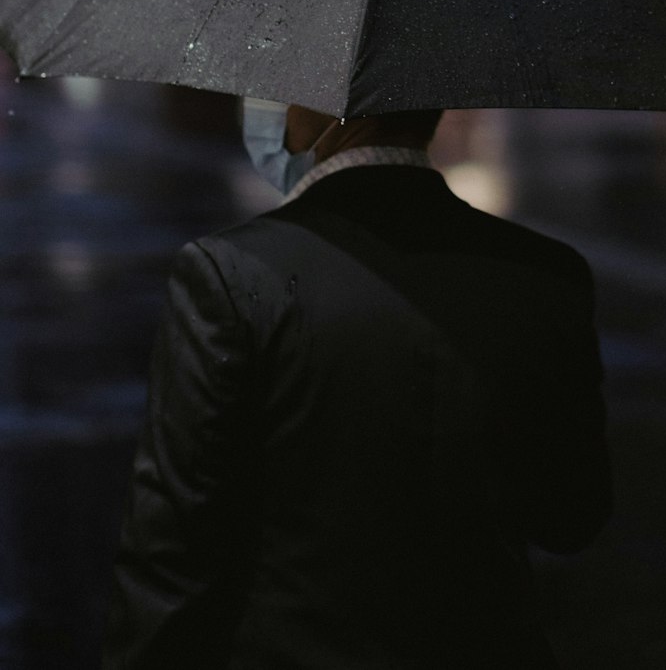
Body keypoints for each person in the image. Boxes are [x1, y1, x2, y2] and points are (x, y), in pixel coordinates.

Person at [102, 104, 613, 669]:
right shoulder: (545, 274)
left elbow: (175, 546)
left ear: (318, 107)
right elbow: (571, 517)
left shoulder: (232, 274)